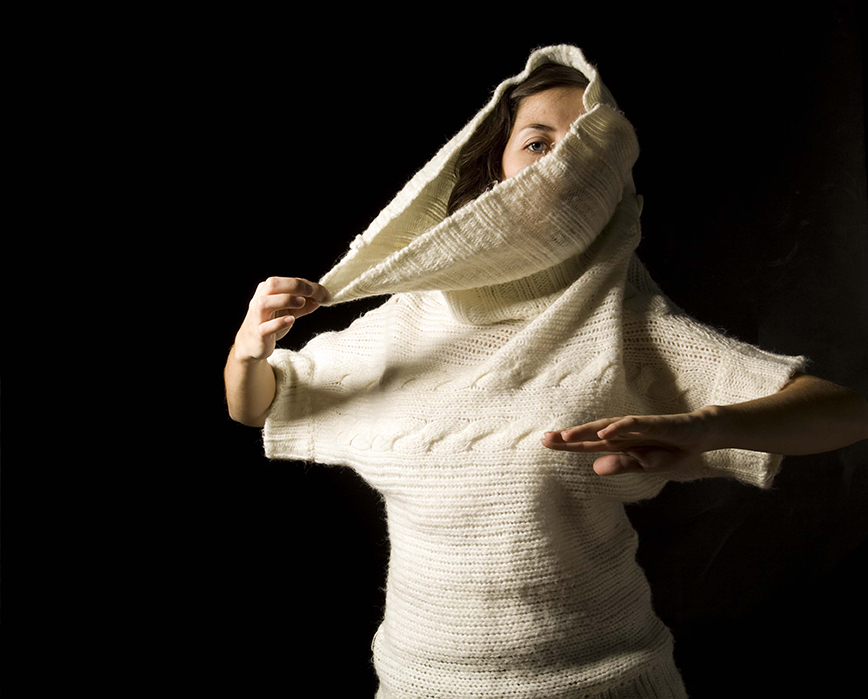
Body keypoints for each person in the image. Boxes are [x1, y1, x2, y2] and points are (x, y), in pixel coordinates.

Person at [224, 45, 868, 698]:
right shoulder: (408, 318)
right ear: (497, 168)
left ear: (608, 184)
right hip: (419, 680)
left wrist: (708, 426)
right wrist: (250, 349)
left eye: (585, 151)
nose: (560, 163)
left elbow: (846, 412)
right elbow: (258, 405)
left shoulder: (625, 323)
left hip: (605, 682)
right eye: (538, 143)